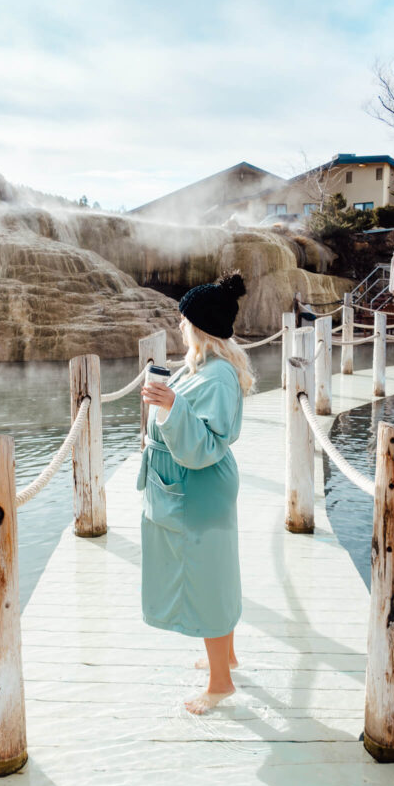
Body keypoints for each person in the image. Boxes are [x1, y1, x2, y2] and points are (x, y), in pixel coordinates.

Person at [138, 271, 255, 715]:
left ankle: (220, 683)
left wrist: (170, 406)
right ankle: (227, 656)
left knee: (207, 579)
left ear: (199, 325)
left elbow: (205, 446)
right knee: (216, 572)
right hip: (196, 489)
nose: (180, 325)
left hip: (199, 489)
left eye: (185, 319)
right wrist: (170, 399)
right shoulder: (201, 368)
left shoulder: (218, 376)